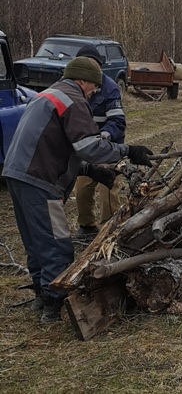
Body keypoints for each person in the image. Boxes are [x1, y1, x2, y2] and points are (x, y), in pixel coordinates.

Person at [2, 57, 152, 322]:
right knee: (56, 243)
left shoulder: (46, 95)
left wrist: (89, 171)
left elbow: (55, 145)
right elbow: (88, 146)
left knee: (35, 241)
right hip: (40, 180)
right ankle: (54, 304)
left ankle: (41, 294)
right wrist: (128, 150)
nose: (94, 91)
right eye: (93, 86)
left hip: (17, 175)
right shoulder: (73, 100)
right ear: (81, 80)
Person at [72, 45, 127, 239]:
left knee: (108, 190)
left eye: (93, 65)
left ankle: (109, 229)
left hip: (108, 147)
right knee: (82, 188)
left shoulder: (110, 88)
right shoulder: (73, 87)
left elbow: (118, 122)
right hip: (87, 149)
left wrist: (103, 137)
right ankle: (87, 227)